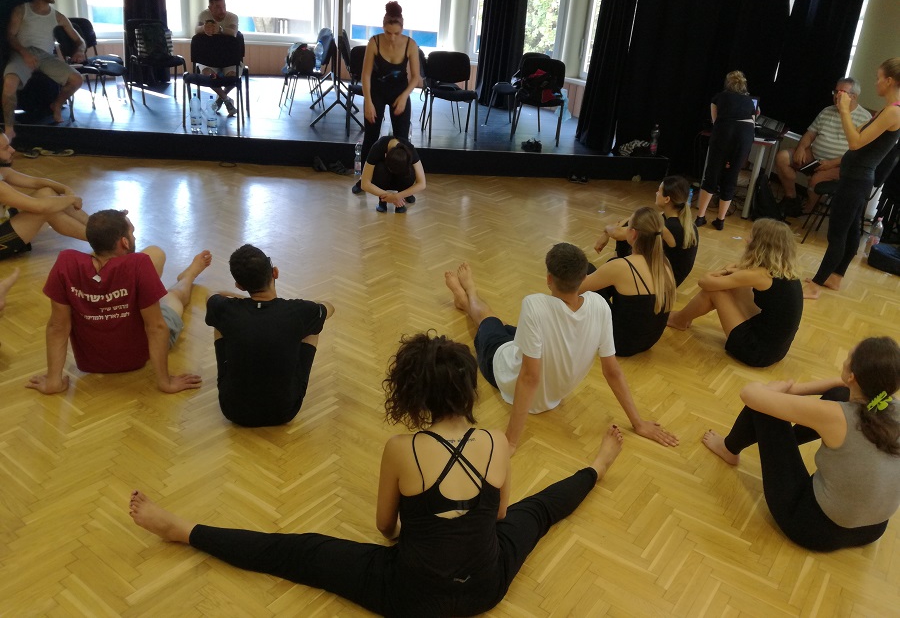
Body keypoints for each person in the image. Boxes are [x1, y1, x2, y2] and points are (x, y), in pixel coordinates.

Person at [130, 331, 626, 617]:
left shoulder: (401, 449)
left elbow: (385, 527)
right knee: (537, 512)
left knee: (302, 553)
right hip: (485, 587)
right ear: (467, 390)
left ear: (415, 394)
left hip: (411, 596)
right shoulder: (497, 441)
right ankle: (599, 464)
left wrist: (415, 535)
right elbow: (499, 516)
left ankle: (184, 531)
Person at [444, 244, 678, 451]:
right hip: (545, 378)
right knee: (505, 326)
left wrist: (512, 441)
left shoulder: (534, 305)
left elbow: (529, 378)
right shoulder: (600, 305)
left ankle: (468, 295)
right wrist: (638, 423)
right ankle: (466, 302)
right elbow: (612, 371)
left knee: (488, 320)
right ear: (584, 277)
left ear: (549, 278)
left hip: (502, 368)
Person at [702, 336, 900, 552]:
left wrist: (775, 389)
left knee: (765, 407)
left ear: (852, 376)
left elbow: (749, 394)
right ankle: (784, 444)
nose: (844, 361)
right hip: (873, 530)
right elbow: (843, 388)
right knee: (839, 394)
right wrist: (796, 389)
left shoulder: (836, 416)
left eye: (848, 358)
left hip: (814, 530)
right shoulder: (893, 407)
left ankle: (728, 449)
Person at [26, 209, 210, 395]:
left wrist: (53, 381)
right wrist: (165, 382)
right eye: (132, 232)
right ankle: (188, 276)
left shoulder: (66, 262)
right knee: (173, 296)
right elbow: (156, 327)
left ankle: (154, 289)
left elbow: (57, 327)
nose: (133, 236)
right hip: (138, 356)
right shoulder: (139, 264)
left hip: (91, 361)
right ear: (125, 242)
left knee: (155, 256)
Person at [205, 244, 334, 427]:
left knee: (218, 319)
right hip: (284, 411)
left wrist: (245, 303)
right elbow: (329, 307)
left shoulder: (226, 309)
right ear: (275, 272)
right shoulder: (298, 311)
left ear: (239, 286)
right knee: (314, 324)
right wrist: (311, 308)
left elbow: (212, 295)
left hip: (233, 411)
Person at [804, 58, 900, 300]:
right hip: (856, 178)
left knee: (837, 234)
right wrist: (846, 112)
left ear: (889, 81)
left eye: (879, 78)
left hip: (856, 180)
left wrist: (846, 110)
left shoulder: (893, 112)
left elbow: (855, 143)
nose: (876, 82)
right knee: (850, 232)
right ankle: (835, 277)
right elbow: (857, 134)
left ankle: (815, 285)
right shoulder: (888, 110)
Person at [668, 218, 803, 367]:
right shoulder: (785, 270)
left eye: (751, 236)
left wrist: (724, 271)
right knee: (734, 287)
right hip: (776, 350)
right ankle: (683, 318)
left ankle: (679, 320)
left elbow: (704, 282)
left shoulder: (759, 275)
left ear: (760, 244)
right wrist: (732, 272)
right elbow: (738, 271)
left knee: (715, 291)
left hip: (756, 352)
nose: (746, 239)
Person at [581, 207, 677, 357]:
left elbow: (577, 288)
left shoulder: (621, 266)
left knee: (587, 269)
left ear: (632, 233)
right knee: (607, 276)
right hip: (649, 341)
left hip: (618, 344)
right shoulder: (664, 263)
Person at [2, 0, 85, 142]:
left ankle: (57, 104)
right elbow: (10, 35)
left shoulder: (58, 16)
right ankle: (9, 129)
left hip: (46, 56)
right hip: (23, 53)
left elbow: (79, 40)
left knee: (77, 80)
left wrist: (80, 51)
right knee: (9, 83)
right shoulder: (22, 10)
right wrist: (24, 53)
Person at [351, 1, 421, 195]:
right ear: (383, 27)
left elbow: (416, 77)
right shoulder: (374, 42)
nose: (392, 37)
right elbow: (365, 75)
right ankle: (364, 180)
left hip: (400, 92)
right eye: (388, 32)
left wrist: (404, 96)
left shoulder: (410, 44)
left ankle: (404, 185)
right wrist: (368, 102)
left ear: (402, 29)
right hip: (377, 92)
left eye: (396, 33)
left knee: (402, 141)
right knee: (371, 137)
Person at [775, 78, 872, 217]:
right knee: (782, 158)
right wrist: (801, 148)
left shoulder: (865, 118)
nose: (836, 96)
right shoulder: (827, 110)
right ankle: (791, 198)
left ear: (854, 96)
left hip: (839, 164)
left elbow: (858, 153)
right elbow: (810, 134)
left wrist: (831, 163)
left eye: (842, 92)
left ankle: (808, 208)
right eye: (835, 91)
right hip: (815, 156)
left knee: (816, 180)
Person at [594, 175, 699, 287]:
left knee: (629, 236)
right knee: (633, 227)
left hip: (664, 284)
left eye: (659, 191)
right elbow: (632, 220)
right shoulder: (678, 218)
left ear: (667, 199)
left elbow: (618, 233)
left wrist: (606, 230)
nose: (656, 193)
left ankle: (617, 271)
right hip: (662, 272)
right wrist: (607, 233)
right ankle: (618, 267)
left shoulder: (671, 227)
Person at [1, 131, 89, 257]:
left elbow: (36, 182)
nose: (12, 150)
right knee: (47, 209)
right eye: (5, 148)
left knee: (47, 192)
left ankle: (99, 228)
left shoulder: (2, 169)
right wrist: (70, 199)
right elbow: (39, 206)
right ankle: (103, 241)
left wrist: (66, 190)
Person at [695, 71, 757, 231]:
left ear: (727, 83)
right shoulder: (750, 102)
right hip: (744, 137)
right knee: (731, 177)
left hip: (723, 134)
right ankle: (720, 220)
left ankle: (700, 217)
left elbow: (716, 121)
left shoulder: (718, 98)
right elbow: (753, 122)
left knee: (712, 175)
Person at [194, 0, 240, 116]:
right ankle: (226, 99)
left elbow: (233, 32)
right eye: (218, 7)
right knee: (208, 75)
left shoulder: (232, 17)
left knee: (232, 77)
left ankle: (220, 98)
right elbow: (196, 30)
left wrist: (219, 29)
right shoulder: (204, 15)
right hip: (209, 58)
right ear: (210, 8)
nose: (222, 10)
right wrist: (204, 28)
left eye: (224, 6)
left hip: (229, 59)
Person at [359, 135, 426, 213]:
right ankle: (382, 201)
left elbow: (422, 183)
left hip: (401, 181)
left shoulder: (409, 149)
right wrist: (389, 196)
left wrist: (398, 196)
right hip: (384, 178)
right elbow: (364, 184)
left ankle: (403, 196)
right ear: (385, 155)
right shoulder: (377, 147)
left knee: (410, 171)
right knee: (380, 168)